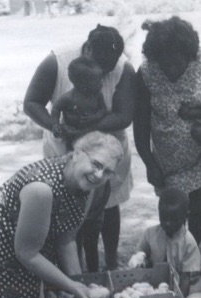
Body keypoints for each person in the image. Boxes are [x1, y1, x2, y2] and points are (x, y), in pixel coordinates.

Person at [0, 132, 123, 298]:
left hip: (35, 240)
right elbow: (27, 254)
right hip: (0, 249)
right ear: (76, 153)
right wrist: (72, 286)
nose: (99, 175)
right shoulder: (41, 189)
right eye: (96, 164)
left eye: (107, 172)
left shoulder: (89, 184)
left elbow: (67, 239)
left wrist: (79, 287)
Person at [24, 24, 135, 271]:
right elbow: (32, 102)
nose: (106, 71)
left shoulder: (123, 68)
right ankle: (75, 265)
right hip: (66, 150)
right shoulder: (57, 62)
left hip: (109, 153)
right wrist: (55, 126)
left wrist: (92, 124)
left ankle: (111, 262)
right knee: (69, 210)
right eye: (101, 63)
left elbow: (125, 115)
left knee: (108, 205)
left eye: (111, 64)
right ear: (87, 50)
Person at [133, 16, 201, 245]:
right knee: (172, 207)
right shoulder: (146, 72)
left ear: (189, 54)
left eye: (177, 62)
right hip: (168, 160)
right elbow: (140, 122)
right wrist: (149, 163)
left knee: (199, 203)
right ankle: (171, 251)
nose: (170, 68)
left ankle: (192, 251)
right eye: (164, 62)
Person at [128, 188, 201, 297]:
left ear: (186, 216)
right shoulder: (150, 234)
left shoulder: (189, 243)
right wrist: (140, 260)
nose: (167, 223)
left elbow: (186, 279)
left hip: (177, 286)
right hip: (151, 283)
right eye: (163, 218)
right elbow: (141, 253)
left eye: (173, 219)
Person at [50, 56, 107, 145]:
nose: (102, 82)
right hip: (71, 133)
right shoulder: (68, 97)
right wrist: (55, 124)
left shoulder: (98, 96)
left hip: (92, 132)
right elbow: (55, 109)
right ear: (83, 86)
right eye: (98, 81)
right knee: (73, 154)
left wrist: (95, 117)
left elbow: (103, 110)